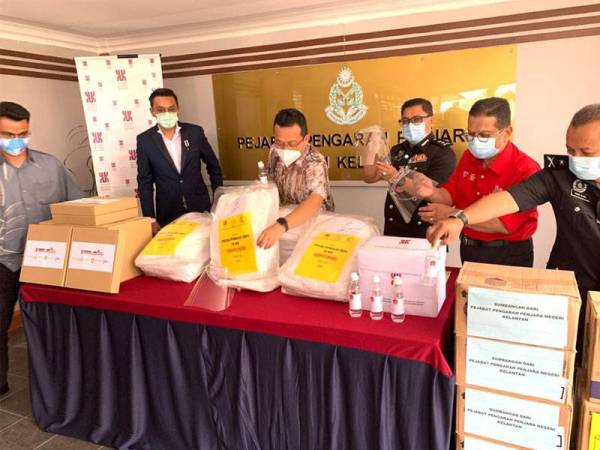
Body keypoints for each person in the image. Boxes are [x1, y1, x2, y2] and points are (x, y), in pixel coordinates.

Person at [0, 101, 83, 396]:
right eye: (8, 135)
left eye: (22, 133)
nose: (16, 141)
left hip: (48, 259)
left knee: (53, 324)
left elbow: (77, 205)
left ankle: (58, 383)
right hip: (3, 262)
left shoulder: (50, 165)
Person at [401, 97, 540, 267]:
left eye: (484, 135)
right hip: (469, 248)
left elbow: (503, 225)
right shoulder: (469, 157)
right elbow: (450, 194)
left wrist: (452, 215)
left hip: (507, 253)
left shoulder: (525, 168)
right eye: (471, 134)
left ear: (506, 132)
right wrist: (431, 192)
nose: (475, 141)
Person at [363, 98, 456, 238]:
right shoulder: (397, 150)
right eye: (405, 121)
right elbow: (370, 177)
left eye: (417, 119)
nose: (410, 125)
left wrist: (396, 177)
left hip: (425, 230)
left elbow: (437, 195)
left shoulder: (442, 152)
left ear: (431, 120)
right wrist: (371, 152)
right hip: (393, 227)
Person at [136, 88, 223, 233]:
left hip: (200, 207)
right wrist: (150, 219)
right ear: (152, 112)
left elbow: (213, 166)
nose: (167, 114)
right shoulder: (145, 140)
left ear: (178, 109)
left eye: (171, 109)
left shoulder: (194, 133)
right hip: (168, 211)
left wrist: (218, 199)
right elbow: (145, 182)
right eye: (161, 110)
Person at [257, 108, 334, 249]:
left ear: (306, 139)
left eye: (292, 144)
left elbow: (315, 200)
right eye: (279, 142)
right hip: (283, 227)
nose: (285, 148)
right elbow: (270, 181)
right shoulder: (274, 150)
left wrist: (281, 226)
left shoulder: (314, 161)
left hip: (312, 228)